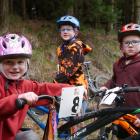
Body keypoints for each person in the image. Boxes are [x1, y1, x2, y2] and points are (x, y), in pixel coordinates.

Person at [0, 33, 72, 140]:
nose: (15, 67)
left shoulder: (24, 85)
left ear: (27, 64)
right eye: (9, 62)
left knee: (30, 137)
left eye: (20, 62)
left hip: (12, 135)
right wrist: (17, 99)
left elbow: (44, 88)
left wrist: (72, 89)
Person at [100, 23, 140, 139]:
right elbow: (114, 80)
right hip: (121, 112)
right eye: (127, 42)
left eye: (135, 42)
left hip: (137, 113)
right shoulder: (117, 64)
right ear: (121, 47)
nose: (131, 45)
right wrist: (106, 86)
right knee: (121, 136)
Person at [54, 15, 92, 114]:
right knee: (67, 121)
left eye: (68, 29)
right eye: (62, 29)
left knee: (76, 123)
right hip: (66, 87)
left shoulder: (76, 47)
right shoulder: (61, 48)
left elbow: (68, 71)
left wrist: (52, 85)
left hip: (77, 88)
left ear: (75, 32)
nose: (65, 31)